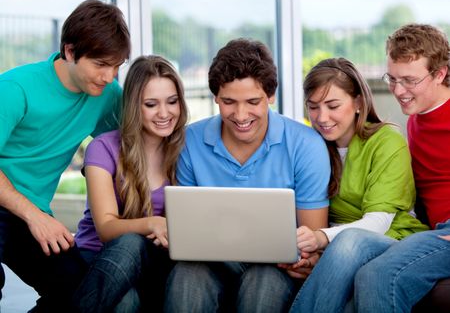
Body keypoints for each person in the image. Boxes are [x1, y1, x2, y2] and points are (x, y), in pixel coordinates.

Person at [164, 38, 331, 313]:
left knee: (262, 282)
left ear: (271, 96)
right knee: (186, 277)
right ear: (215, 96)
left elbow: (310, 237)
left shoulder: (305, 144)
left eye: (253, 102)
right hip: (209, 262)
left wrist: (305, 259)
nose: (241, 115)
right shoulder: (189, 142)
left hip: (275, 267)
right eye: (229, 102)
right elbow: (186, 231)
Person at [0, 0, 130, 312]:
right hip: (19, 206)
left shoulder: (107, 94)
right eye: (100, 64)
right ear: (70, 52)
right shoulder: (14, 88)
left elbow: (132, 145)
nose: (109, 76)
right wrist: (35, 216)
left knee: (80, 293)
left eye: (116, 66)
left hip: (28, 212)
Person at [288, 57, 429, 313]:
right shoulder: (309, 145)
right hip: (339, 251)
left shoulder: (386, 141)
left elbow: (378, 223)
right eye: (313, 107)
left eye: (332, 106)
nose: (322, 117)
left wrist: (321, 238)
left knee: (351, 242)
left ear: (358, 102)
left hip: (391, 239)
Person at [72, 55, 188, 313]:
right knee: (127, 298)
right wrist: (152, 223)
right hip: (101, 258)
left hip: (157, 259)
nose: (164, 113)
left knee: (138, 246)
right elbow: (106, 227)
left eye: (172, 102)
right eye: (151, 104)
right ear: (134, 105)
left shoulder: (185, 150)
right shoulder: (103, 148)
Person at [353, 24, 450, 312]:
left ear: (440, 74)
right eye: (392, 79)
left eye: (409, 80)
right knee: (350, 252)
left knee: (378, 276)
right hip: (430, 230)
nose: (398, 90)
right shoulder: (416, 120)